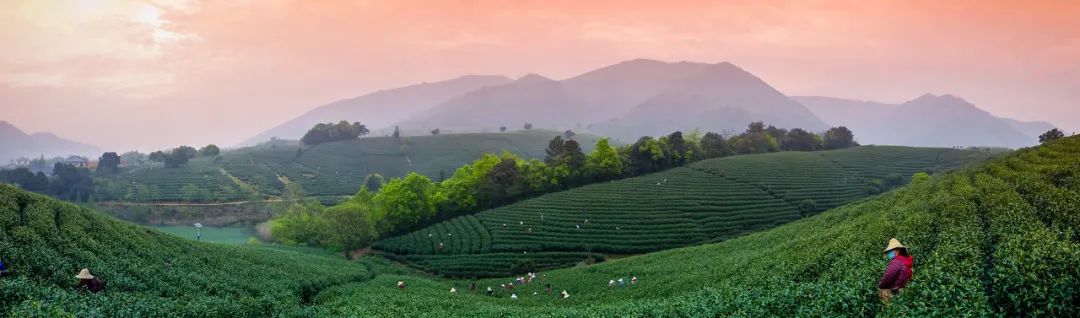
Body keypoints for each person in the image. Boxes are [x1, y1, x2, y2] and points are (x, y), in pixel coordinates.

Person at [877, 238, 914, 303]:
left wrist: (881, 286)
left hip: (895, 291)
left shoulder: (897, 262)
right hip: (903, 289)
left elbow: (888, 275)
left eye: (890, 251)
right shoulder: (906, 260)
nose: (889, 253)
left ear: (897, 250)